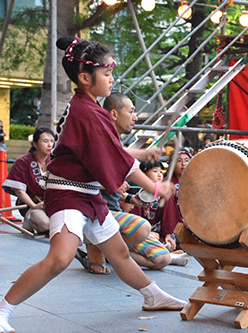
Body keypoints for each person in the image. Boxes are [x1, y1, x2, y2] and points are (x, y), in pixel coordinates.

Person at [0, 36, 186, 333]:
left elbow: (108, 152)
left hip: (87, 196)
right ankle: (3, 308)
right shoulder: (88, 112)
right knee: (59, 258)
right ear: (85, 78)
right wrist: (155, 188)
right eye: (108, 74)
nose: (112, 79)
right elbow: (115, 159)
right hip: (68, 194)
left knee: (120, 253)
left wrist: (139, 154)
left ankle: (152, 295)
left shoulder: (89, 108)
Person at [76, 92, 188, 274]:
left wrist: (130, 198)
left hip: (113, 212)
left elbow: (121, 170)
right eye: (131, 111)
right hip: (95, 213)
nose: (135, 117)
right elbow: (84, 179)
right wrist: (155, 187)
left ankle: (103, 251)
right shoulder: (99, 138)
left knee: (163, 258)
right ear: (114, 114)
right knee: (143, 227)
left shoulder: (115, 141)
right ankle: (94, 245)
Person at [2, 127, 54, 234]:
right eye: (45, 141)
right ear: (35, 144)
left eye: (52, 141)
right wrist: (34, 206)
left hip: (53, 205)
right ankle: (30, 221)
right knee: (46, 224)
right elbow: (19, 191)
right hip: (33, 206)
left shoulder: (54, 163)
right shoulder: (23, 162)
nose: (50, 145)